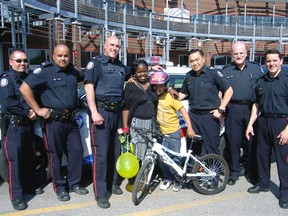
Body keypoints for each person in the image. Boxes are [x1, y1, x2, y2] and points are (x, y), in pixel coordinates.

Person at [19, 44, 88, 202]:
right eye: (60, 56)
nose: (63, 58)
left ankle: (74, 183)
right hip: (53, 121)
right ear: (53, 56)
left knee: (76, 152)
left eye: (66, 56)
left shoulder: (73, 71)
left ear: (70, 56)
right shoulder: (45, 71)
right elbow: (24, 88)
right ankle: (60, 187)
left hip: (71, 121)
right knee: (55, 155)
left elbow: (88, 81)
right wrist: (37, 109)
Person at [0, 49, 43, 211]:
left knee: (28, 158)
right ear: (10, 62)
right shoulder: (7, 80)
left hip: (27, 126)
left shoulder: (28, 78)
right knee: (14, 162)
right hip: (14, 127)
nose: (22, 63)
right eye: (18, 61)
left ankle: (28, 187)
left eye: (25, 60)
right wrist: (28, 112)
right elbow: (8, 103)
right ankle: (16, 197)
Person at [246, 49, 288, 209]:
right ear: (265, 63)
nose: (271, 63)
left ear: (281, 62)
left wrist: (287, 130)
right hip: (263, 121)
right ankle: (263, 183)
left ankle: (285, 193)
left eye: (274, 60)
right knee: (261, 155)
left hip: (281, 123)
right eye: (269, 61)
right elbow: (256, 104)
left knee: (283, 161)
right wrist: (250, 124)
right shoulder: (261, 81)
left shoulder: (286, 80)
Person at [175, 49, 233, 155]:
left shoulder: (213, 73)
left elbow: (229, 90)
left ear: (203, 58)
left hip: (209, 117)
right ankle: (194, 170)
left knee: (211, 148)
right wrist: (168, 91)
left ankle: (214, 171)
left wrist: (220, 109)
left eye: (197, 59)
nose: (195, 63)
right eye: (192, 61)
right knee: (193, 148)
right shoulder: (189, 76)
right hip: (193, 116)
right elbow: (182, 94)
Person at [221, 41, 263, 186]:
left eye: (241, 53)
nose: (238, 56)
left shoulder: (256, 68)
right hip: (233, 109)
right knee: (233, 142)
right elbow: (220, 92)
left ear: (246, 53)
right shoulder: (226, 71)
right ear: (231, 54)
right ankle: (234, 172)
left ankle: (251, 172)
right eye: (235, 53)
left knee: (251, 143)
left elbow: (262, 90)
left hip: (251, 109)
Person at [150, 71, 195, 192]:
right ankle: (167, 178)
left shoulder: (171, 97)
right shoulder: (153, 96)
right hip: (161, 133)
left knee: (175, 157)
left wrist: (190, 127)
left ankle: (177, 179)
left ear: (165, 85)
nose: (158, 88)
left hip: (174, 132)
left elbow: (183, 111)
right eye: (155, 86)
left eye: (161, 85)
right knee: (162, 159)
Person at [122, 59, 158, 192]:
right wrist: (125, 126)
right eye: (139, 72)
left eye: (144, 71)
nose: (142, 74)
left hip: (152, 123)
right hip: (138, 124)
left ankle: (147, 181)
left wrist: (170, 89)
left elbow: (163, 88)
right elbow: (125, 107)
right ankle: (137, 182)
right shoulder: (130, 85)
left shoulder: (153, 82)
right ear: (134, 73)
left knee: (150, 152)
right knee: (139, 153)